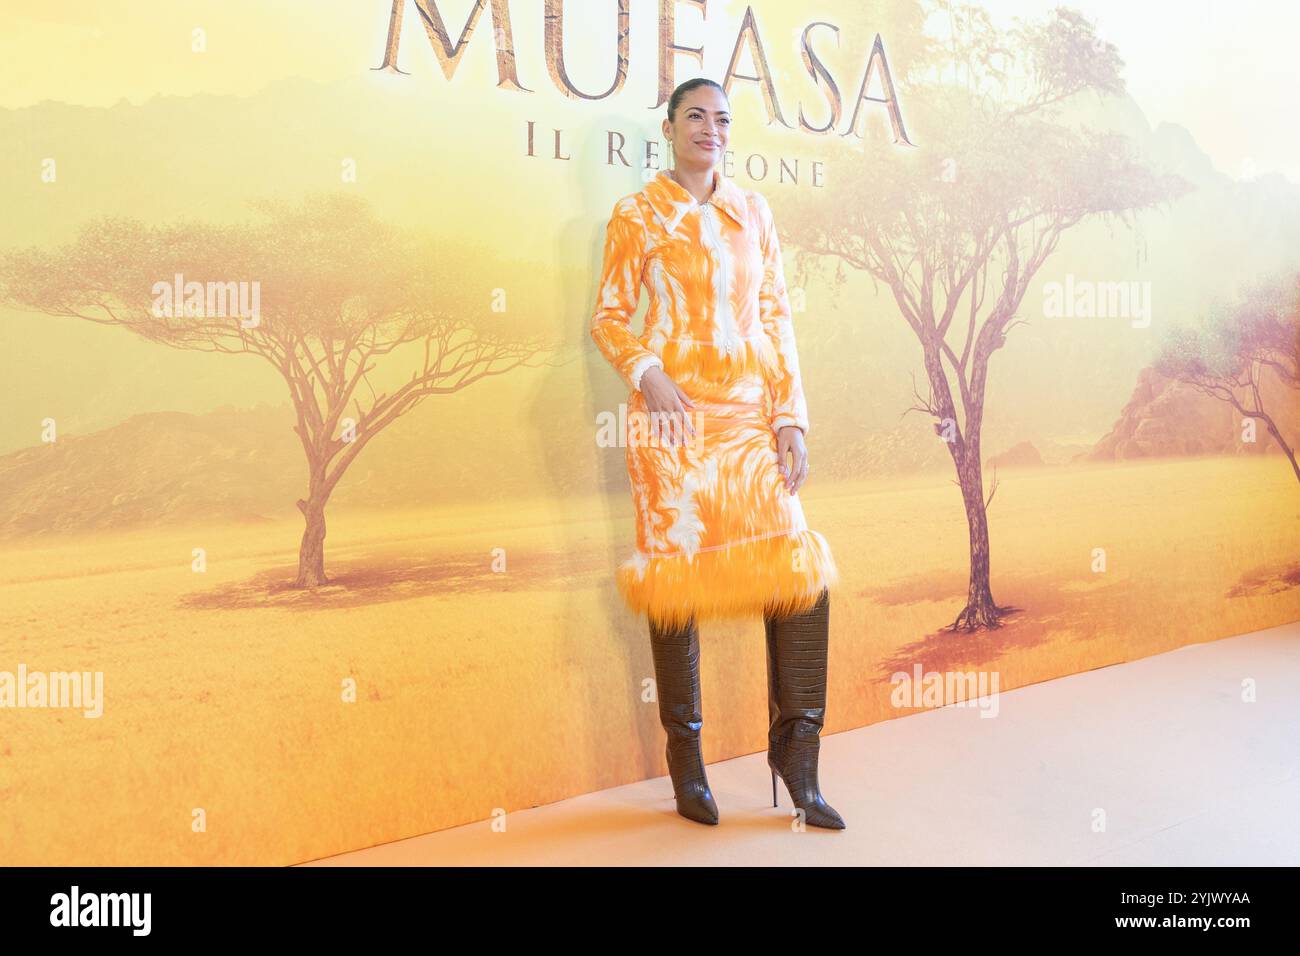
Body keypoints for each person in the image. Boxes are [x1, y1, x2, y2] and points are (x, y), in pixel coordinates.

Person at [589, 78, 844, 829]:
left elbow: (776, 316)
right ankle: (687, 764)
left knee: (800, 579)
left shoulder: (752, 210)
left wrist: (791, 420)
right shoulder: (637, 213)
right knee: (675, 590)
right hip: (671, 427)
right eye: (696, 116)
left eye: (722, 118)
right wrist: (649, 372)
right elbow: (608, 317)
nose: (711, 128)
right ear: (669, 128)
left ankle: (798, 761)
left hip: (748, 424)